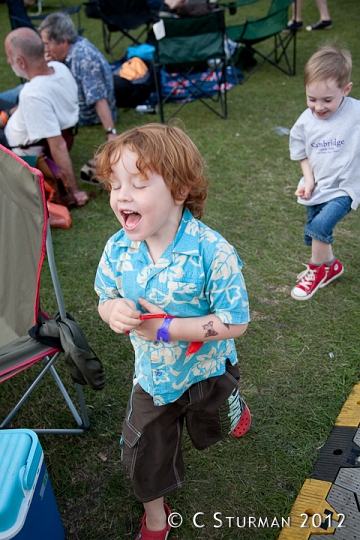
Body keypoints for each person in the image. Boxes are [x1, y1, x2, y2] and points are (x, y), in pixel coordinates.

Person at [94, 123, 251, 539]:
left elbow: (236, 322)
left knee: (209, 423)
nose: (122, 196)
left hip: (210, 370)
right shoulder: (117, 249)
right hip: (155, 380)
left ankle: (232, 403)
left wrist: (167, 329)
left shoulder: (213, 252)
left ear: (180, 191)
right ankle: (156, 517)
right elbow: (104, 296)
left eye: (139, 184)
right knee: (145, 453)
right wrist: (113, 310)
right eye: (115, 186)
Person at [289, 44, 359, 301]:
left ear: (346, 90)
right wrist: (309, 180)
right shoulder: (305, 122)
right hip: (318, 187)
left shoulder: (356, 112)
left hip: (345, 188)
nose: (318, 107)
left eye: (327, 100)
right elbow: (302, 154)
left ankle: (316, 271)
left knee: (319, 226)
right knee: (313, 231)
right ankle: (332, 266)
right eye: (311, 99)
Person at [0, 27, 88, 206]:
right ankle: (6, 114)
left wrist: (73, 190)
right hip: (28, 124)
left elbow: (58, 145)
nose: (8, 61)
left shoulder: (33, 95)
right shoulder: (59, 68)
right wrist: (10, 114)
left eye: (9, 57)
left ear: (20, 62)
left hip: (16, 147)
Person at [38, 12, 117, 140]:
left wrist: (111, 132)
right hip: (69, 104)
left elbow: (99, 98)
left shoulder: (84, 58)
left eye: (47, 44)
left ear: (63, 41)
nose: (45, 49)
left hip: (85, 115)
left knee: (31, 105)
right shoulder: (65, 53)